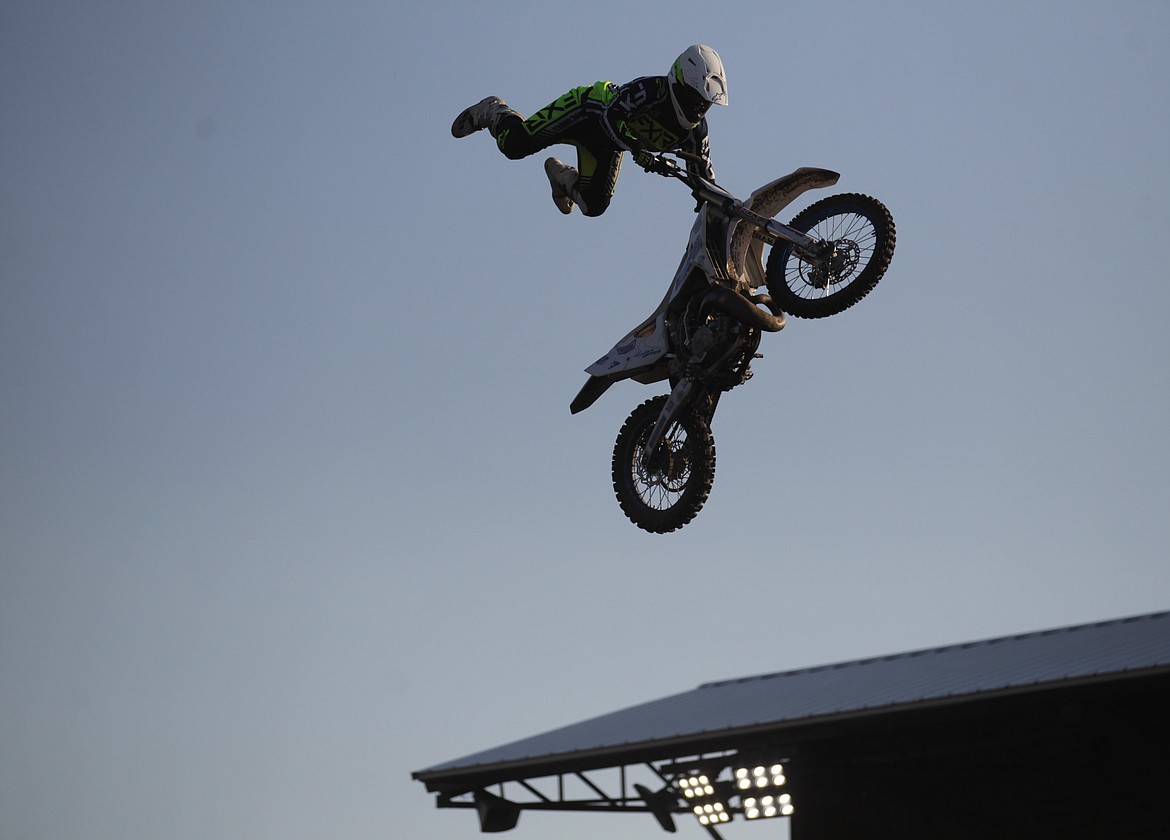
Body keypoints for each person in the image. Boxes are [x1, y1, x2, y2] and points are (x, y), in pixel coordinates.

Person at [450, 45, 728, 217]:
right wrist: (637, 148)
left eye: (704, 103)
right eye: (694, 99)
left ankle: (561, 177)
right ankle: (493, 110)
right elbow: (610, 118)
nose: (698, 108)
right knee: (513, 145)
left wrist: (725, 206)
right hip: (584, 112)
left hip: (607, 145)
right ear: (678, 83)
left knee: (594, 206)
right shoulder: (650, 91)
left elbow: (704, 177)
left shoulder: (696, 133)